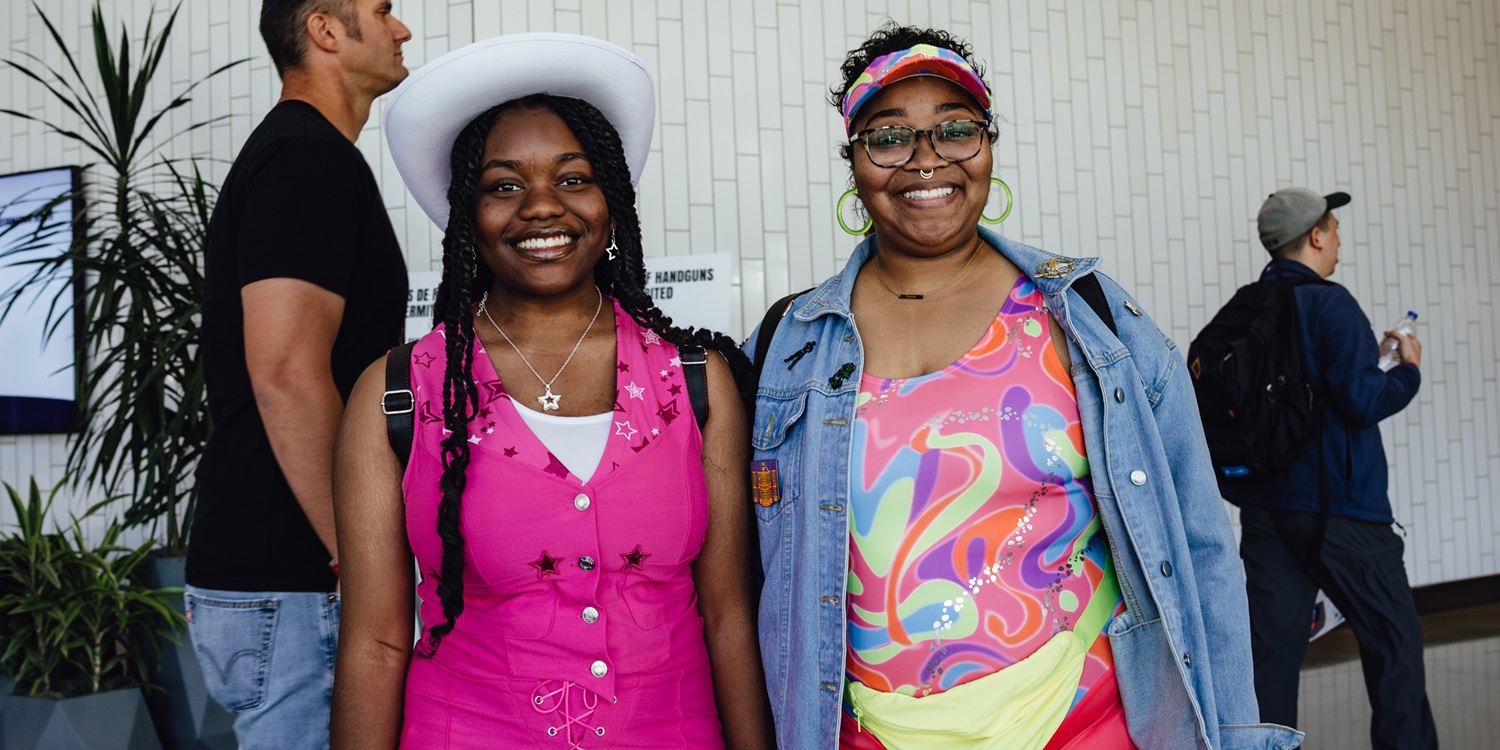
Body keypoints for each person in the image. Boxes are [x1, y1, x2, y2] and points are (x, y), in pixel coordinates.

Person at [745, 23, 1302, 749]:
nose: (926, 159)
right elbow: (758, 573)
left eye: (955, 130)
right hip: (866, 733)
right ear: (853, 160)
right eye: (888, 137)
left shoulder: (1088, 315)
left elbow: (1199, 544)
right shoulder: (791, 343)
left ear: (988, 145)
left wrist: (1233, 730)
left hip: (1091, 719)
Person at [328, 33, 773, 749]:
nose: (541, 207)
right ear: (467, 213)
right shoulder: (396, 395)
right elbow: (375, 644)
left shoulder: (695, 380)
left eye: (573, 178)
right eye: (504, 185)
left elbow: (728, 618)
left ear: (611, 200)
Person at [185, 1, 410, 748]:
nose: (401, 29)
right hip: (297, 579)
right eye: (382, 11)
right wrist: (360, 555)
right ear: (323, 29)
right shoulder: (306, 160)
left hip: (283, 577)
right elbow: (284, 372)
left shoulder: (305, 155)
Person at [1222, 188, 1435, 749]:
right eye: (1334, 229)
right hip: (1342, 510)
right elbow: (1362, 401)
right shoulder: (1330, 303)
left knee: (1271, 652)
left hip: (1266, 509)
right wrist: (1406, 370)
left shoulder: (1246, 305)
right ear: (1315, 236)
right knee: (1394, 644)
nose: (1338, 239)